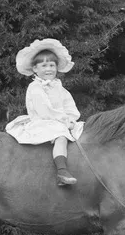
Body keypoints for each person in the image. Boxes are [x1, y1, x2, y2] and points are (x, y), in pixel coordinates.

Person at [5, 38, 84, 186]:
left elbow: (69, 106)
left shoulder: (59, 87)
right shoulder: (35, 87)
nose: (49, 69)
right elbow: (45, 110)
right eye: (44, 65)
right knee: (61, 136)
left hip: (60, 121)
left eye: (52, 65)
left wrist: (71, 119)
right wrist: (64, 122)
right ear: (35, 69)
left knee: (82, 130)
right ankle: (61, 171)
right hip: (43, 121)